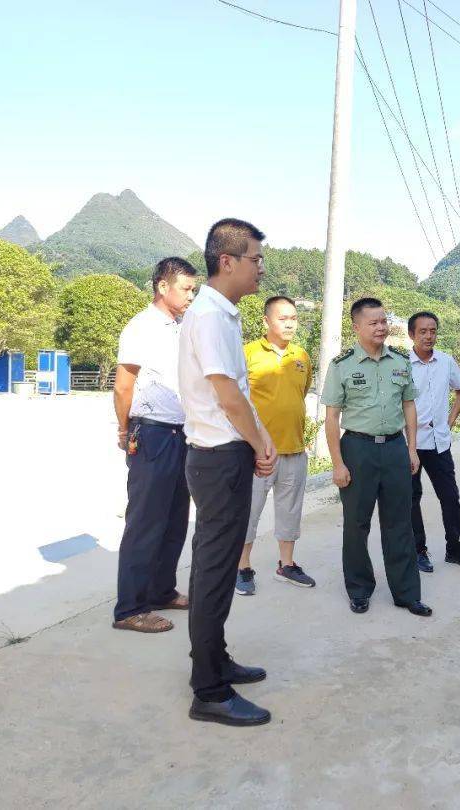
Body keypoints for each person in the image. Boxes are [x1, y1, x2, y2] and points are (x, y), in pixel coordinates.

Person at [178, 218, 276, 727]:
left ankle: (214, 660)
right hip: (219, 458)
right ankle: (208, 691)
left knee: (212, 568)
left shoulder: (222, 314)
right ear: (228, 262)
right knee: (216, 573)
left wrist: (260, 440)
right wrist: (260, 441)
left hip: (222, 454)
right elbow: (228, 393)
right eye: (256, 259)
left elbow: (236, 391)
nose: (261, 268)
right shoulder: (212, 317)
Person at [322, 297, 431, 617]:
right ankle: (359, 589)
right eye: (374, 322)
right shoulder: (342, 366)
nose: (382, 327)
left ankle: (407, 593)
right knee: (357, 524)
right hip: (358, 449)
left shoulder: (400, 361)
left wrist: (412, 448)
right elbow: (331, 418)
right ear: (357, 327)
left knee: (400, 523)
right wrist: (338, 463)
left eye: (384, 321)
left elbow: (409, 405)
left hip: (396, 448)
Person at [111, 257, 198, 634]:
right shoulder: (141, 327)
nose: (191, 296)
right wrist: (124, 428)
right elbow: (123, 385)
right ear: (162, 286)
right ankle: (130, 608)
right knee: (145, 522)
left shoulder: (182, 327)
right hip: (153, 434)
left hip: (182, 434)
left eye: (194, 289)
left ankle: (163, 590)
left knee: (176, 519)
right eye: (186, 288)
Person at [235, 296, 316, 596]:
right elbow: (236, 399)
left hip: (294, 449)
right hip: (256, 452)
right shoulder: (248, 353)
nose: (290, 323)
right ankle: (242, 567)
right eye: (283, 318)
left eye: (293, 317)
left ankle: (287, 564)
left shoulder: (301, 356)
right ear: (266, 321)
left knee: (290, 510)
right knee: (248, 511)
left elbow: (302, 391)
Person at [406, 311, 460, 574]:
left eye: (433, 331)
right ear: (411, 334)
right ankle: (418, 551)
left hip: (439, 443)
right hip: (410, 446)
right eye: (423, 331)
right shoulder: (401, 363)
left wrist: (450, 421)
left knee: (450, 496)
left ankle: (454, 549)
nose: (428, 336)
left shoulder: (446, 361)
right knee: (412, 499)